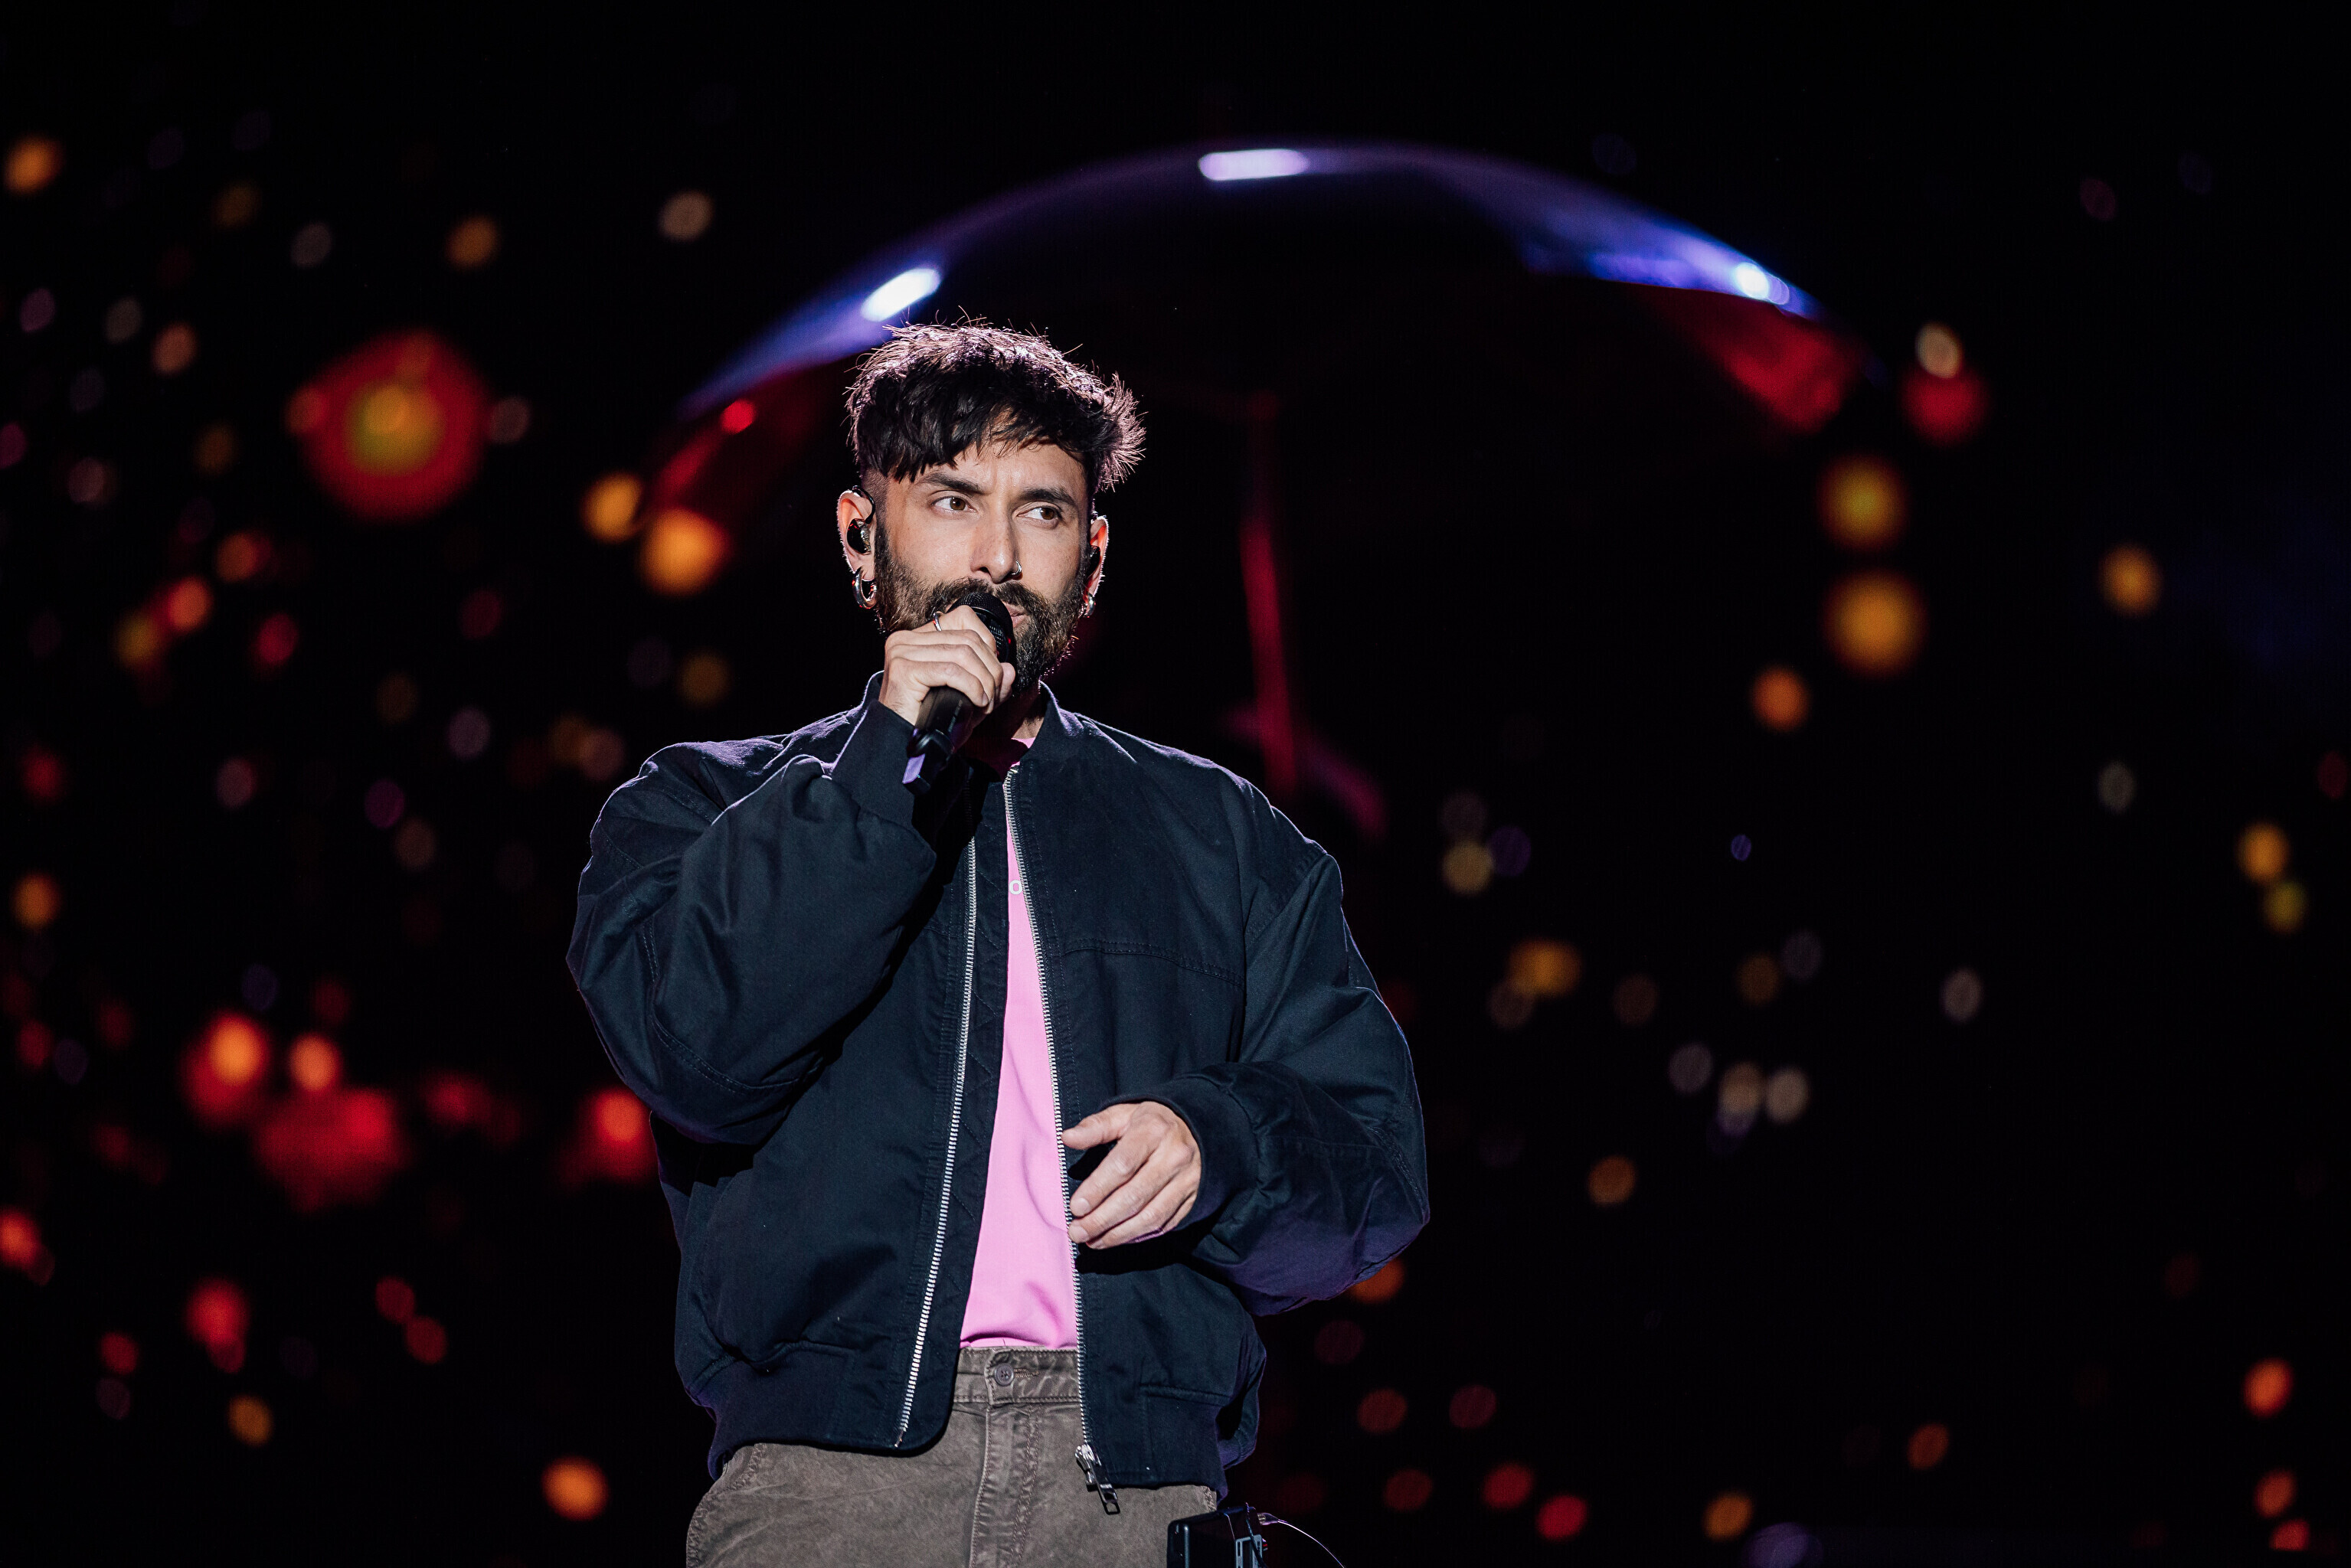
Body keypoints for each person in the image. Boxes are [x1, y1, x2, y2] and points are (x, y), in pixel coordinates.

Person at [567, 322, 1427, 1566]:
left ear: (1093, 556)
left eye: (1042, 511)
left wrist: (1222, 1142)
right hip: (831, 1493)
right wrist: (881, 763)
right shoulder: (699, 806)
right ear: (861, 536)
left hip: (1133, 1491)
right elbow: (700, 1055)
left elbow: (1376, 1169)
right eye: (951, 501)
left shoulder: (1221, 835)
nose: (996, 557)